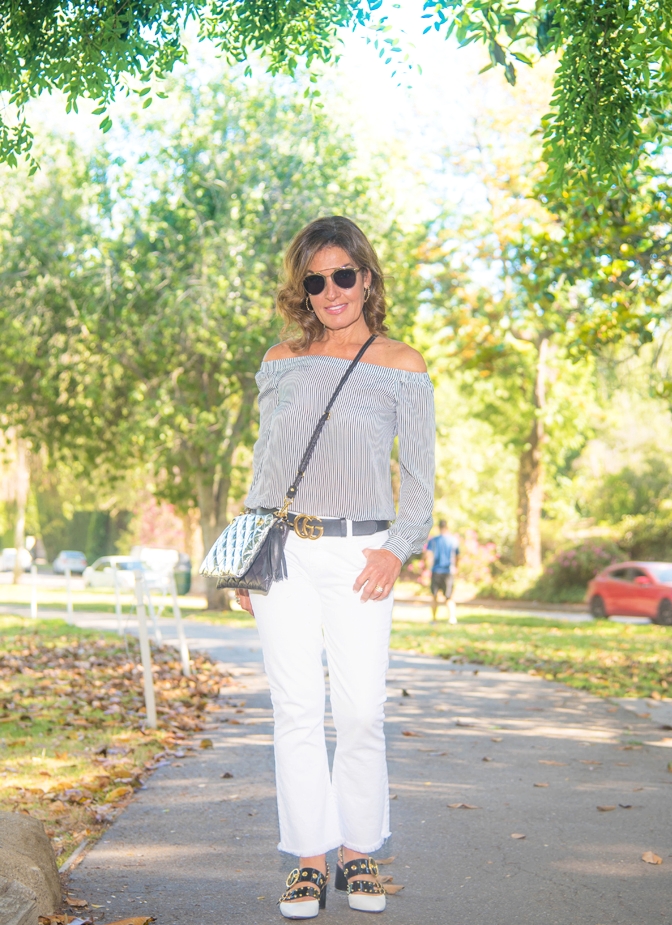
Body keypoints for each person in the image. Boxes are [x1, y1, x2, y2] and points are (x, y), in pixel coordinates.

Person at [235, 216, 435, 919]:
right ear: (304, 289)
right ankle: (310, 861)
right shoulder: (279, 359)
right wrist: (249, 559)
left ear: (367, 277)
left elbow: (420, 480)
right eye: (316, 280)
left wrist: (396, 546)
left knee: (358, 711)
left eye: (342, 275)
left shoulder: (402, 365)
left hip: (362, 556)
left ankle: (358, 851)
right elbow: (267, 468)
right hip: (284, 550)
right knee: (294, 710)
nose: (330, 290)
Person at [426, 520, 460, 624]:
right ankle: (452, 618)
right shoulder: (453, 540)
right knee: (449, 596)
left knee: (434, 596)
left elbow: (428, 555)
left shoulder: (433, 541)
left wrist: (428, 567)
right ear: (447, 527)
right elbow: (457, 556)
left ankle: (434, 619)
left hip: (436, 571)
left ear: (438, 528)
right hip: (448, 571)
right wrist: (456, 567)